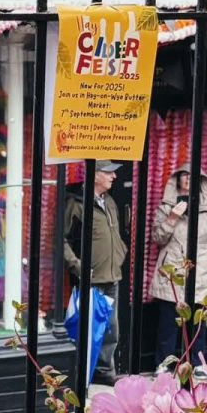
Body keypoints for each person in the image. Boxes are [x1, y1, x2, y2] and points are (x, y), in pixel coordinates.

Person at [151, 166, 207, 364]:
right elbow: (157, 238)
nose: (187, 178)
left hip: (201, 269)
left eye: (192, 175)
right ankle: (163, 364)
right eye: (184, 174)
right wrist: (172, 218)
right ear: (177, 179)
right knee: (168, 324)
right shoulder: (166, 207)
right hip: (172, 269)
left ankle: (197, 363)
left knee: (198, 322)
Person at [63, 160, 128, 385]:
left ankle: (104, 371)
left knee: (111, 328)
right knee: (87, 328)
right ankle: (83, 373)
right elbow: (61, 240)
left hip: (112, 275)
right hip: (89, 278)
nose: (114, 177)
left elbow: (115, 234)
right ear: (95, 174)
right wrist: (78, 266)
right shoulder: (76, 203)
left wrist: (120, 253)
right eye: (109, 173)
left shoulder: (109, 201)